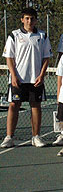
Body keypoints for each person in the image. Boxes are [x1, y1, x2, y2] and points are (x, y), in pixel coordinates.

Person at [1, 8, 52, 148]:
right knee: (13, 105)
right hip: (18, 79)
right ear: (22, 19)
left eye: (32, 18)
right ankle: (9, 137)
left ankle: (36, 137)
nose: (30, 21)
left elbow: (46, 57)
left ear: (36, 20)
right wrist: (13, 76)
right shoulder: (14, 35)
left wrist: (41, 75)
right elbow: (9, 57)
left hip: (35, 80)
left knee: (35, 106)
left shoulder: (42, 36)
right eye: (27, 18)